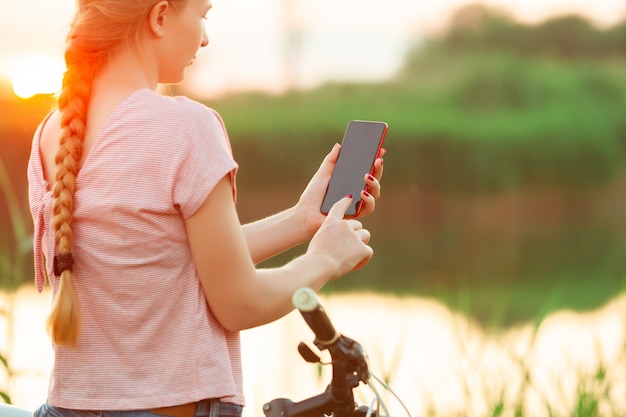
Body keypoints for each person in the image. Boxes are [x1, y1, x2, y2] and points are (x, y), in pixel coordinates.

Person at [27, 0, 385, 416]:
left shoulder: (51, 133)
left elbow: (163, 255)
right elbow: (239, 302)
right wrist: (324, 259)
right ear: (160, 16)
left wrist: (301, 220)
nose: (206, 36)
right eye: (203, 15)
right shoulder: (186, 126)